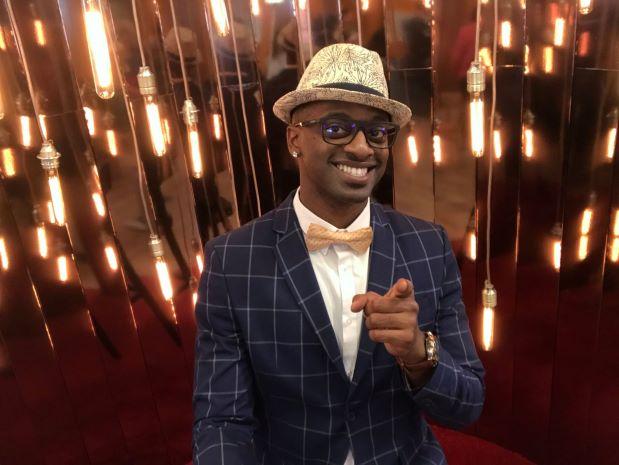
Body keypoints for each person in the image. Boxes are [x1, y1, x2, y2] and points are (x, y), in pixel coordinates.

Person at [193, 43, 485, 465]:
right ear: (294, 137)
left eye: (377, 132)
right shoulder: (233, 262)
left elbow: (468, 405)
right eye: (336, 128)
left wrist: (418, 354)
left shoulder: (428, 246)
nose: (363, 148)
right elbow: (223, 420)